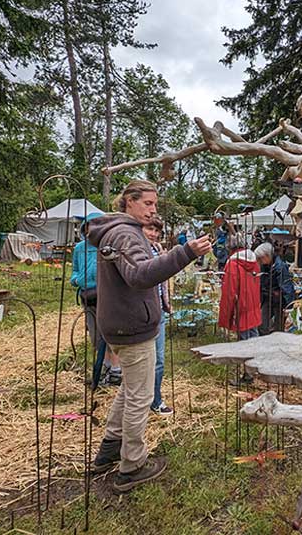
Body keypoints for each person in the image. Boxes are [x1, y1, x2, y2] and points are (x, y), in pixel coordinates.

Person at [87, 180, 211, 492]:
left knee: (129, 390)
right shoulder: (126, 234)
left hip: (120, 323)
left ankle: (108, 451)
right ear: (129, 201)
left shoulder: (116, 231)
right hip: (131, 327)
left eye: (155, 204)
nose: (153, 210)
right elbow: (140, 275)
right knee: (140, 398)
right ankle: (132, 466)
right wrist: (185, 253)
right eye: (148, 204)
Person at [70, 212, 121, 389]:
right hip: (87, 296)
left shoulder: (109, 247)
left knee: (111, 334)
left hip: (107, 296)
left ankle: (116, 370)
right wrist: (77, 280)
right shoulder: (79, 249)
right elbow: (75, 271)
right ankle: (104, 370)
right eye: (89, 227)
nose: (93, 230)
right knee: (96, 336)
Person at [142, 217, 173, 416]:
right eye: (149, 229)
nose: (153, 234)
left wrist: (167, 302)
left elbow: (163, 279)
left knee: (159, 359)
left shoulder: (158, 249)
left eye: (156, 230)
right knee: (143, 360)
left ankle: (156, 399)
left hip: (159, 310)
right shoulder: (136, 250)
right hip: (142, 312)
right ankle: (140, 400)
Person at [218, 233, 261, 342]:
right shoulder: (253, 261)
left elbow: (229, 293)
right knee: (254, 335)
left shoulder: (233, 264)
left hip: (241, 306)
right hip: (253, 304)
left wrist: (226, 317)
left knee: (244, 342)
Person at [255, 242, 294, 335]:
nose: (259, 260)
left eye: (261, 258)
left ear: (268, 256)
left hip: (279, 301)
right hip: (267, 299)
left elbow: (287, 287)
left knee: (278, 328)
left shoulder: (280, 267)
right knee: (262, 325)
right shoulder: (264, 266)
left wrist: (289, 307)